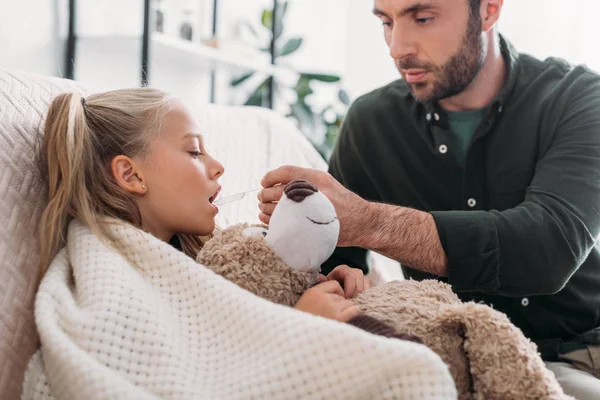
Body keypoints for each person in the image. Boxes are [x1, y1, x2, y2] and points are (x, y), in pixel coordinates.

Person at [257, 0, 600, 398]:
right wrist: (303, 235)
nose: (397, 47)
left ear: (488, 10)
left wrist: (370, 222)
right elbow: (335, 265)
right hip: (453, 357)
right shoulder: (371, 124)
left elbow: (548, 247)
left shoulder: (578, 99)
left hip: (581, 346)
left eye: (423, 18)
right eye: (386, 22)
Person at [38, 88, 361, 323]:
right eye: (194, 152)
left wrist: (315, 284)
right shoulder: (107, 283)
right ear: (131, 174)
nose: (217, 166)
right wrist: (302, 325)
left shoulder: (204, 260)